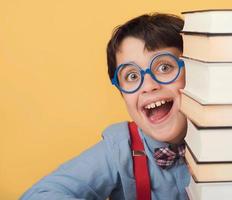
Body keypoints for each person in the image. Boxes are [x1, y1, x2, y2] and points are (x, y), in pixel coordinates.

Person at [21, 13, 190, 200]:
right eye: (132, 76)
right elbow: (38, 195)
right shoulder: (120, 148)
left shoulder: (226, 141)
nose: (149, 86)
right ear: (122, 93)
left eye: (164, 67)